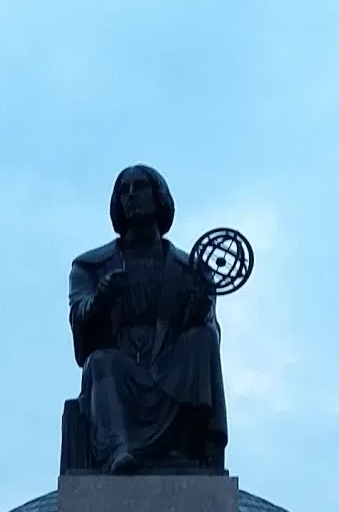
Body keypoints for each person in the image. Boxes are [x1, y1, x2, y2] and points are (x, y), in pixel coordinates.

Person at [69, 165, 228, 473]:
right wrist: (101, 299)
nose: (131, 196)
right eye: (123, 191)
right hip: (119, 368)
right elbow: (80, 317)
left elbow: (210, 327)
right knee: (101, 362)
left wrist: (198, 315)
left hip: (171, 368)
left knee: (203, 339)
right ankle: (118, 449)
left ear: (159, 197)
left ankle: (196, 444)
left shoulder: (190, 270)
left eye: (139, 188)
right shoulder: (90, 266)